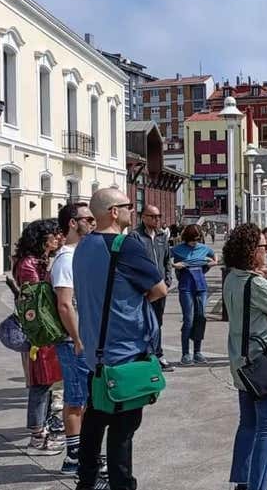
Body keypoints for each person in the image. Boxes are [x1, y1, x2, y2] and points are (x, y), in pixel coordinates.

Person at [73, 188, 167, 489]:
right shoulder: (125, 245)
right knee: (122, 429)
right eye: (128, 206)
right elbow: (159, 289)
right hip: (124, 351)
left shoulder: (82, 246)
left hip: (96, 352)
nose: (132, 211)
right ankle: (122, 485)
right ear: (114, 212)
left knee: (95, 418)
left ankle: (86, 481)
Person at [223, 223, 267, 490]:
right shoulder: (257, 284)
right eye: (263, 247)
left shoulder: (231, 278)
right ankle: (258, 486)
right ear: (251, 251)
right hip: (262, 362)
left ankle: (242, 482)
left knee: (247, 424)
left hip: (240, 362)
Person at [12, 218, 64, 456]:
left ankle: (43, 429)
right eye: (54, 234)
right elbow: (38, 299)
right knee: (40, 384)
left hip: (46, 329)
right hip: (39, 331)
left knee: (46, 382)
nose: (58, 238)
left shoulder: (39, 261)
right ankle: (37, 436)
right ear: (42, 239)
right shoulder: (28, 264)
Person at [52, 203, 95, 474]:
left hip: (82, 338)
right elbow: (65, 304)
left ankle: (83, 454)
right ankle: (74, 458)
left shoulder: (77, 254)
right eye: (87, 219)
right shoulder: (66, 259)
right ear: (72, 223)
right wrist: (78, 339)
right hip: (73, 341)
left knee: (85, 398)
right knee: (76, 399)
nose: (92, 223)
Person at [130, 204, 175, 372]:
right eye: (153, 216)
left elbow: (167, 260)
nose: (157, 219)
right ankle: (145, 354)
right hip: (145, 289)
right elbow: (133, 263)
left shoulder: (162, 236)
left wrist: (168, 280)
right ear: (143, 217)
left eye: (158, 216)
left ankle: (157, 353)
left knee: (158, 321)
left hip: (160, 287)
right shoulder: (136, 236)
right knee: (144, 322)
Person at [172, 224, 218, 365]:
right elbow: (166, 257)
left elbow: (214, 254)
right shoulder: (178, 249)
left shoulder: (203, 248)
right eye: (192, 240)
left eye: (197, 239)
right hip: (186, 286)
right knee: (188, 319)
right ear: (186, 238)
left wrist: (214, 262)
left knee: (201, 317)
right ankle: (185, 353)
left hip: (201, 286)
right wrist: (175, 265)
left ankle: (197, 351)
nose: (194, 242)